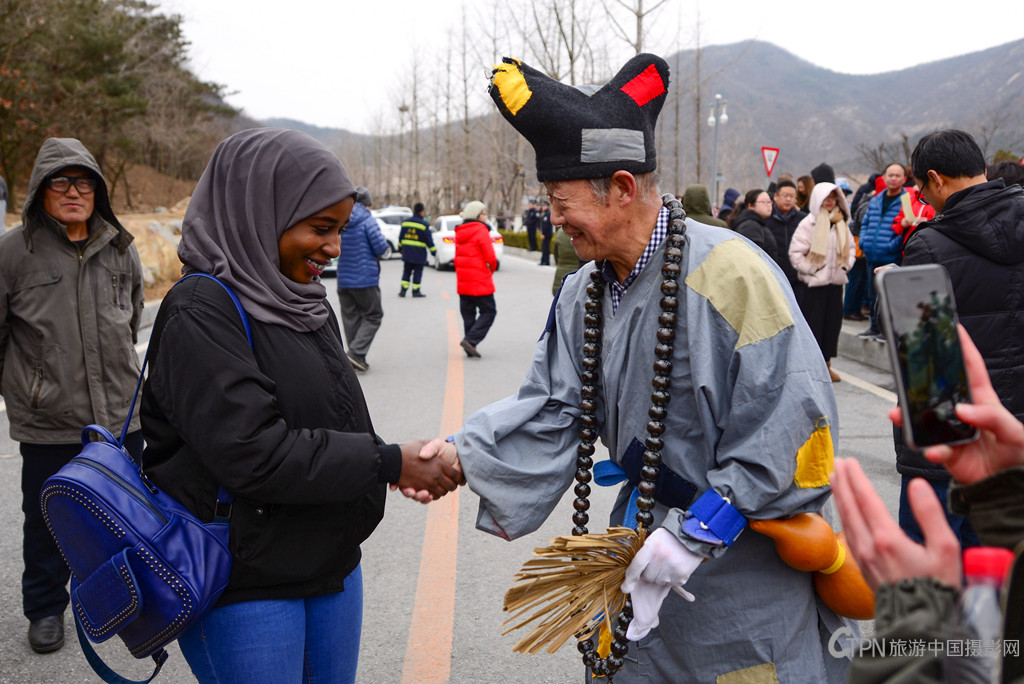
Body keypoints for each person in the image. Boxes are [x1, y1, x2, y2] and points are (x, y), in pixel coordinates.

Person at [414, 53, 850, 683]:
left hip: (739, 560)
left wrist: (697, 531)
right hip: (638, 541)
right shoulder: (582, 290)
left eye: (562, 204)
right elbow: (554, 405)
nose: (554, 222)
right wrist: (461, 457)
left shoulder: (733, 273)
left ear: (621, 188)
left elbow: (792, 431)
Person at [138, 128, 459, 683]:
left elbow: (336, 418)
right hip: (243, 582)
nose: (334, 248)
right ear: (261, 212)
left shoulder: (301, 301)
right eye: (320, 228)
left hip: (329, 565)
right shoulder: (200, 310)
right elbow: (253, 454)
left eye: (338, 228)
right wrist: (386, 462)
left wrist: (387, 462)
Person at [0, 137, 144, 654]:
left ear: (98, 190)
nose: (72, 191)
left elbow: (131, 320)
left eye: (82, 181)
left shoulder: (120, 248)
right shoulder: (13, 252)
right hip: (49, 420)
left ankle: (128, 600)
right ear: (40, 190)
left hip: (121, 417)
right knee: (46, 522)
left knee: (127, 516)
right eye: (59, 181)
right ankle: (44, 609)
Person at [833, 325, 1024, 683]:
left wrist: (912, 622)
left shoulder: (926, 267)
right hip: (994, 444)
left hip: (943, 437)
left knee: (930, 567)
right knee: (984, 593)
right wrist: (1011, 501)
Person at [894, 129, 1024, 549]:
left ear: (935, 178)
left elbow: (921, 364)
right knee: (1002, 576)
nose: (923, 199)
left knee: (932, 577)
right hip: (1013, 440)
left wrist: (890, 295)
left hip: (950, 440)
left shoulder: (928, 246)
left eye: (920, 188)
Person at [788, 182, 855, 383]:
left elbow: (851, 249)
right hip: (814, 287)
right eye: (826, 198)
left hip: (835, 284)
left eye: (833, 198)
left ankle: (826, 365)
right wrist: (812, 270)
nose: (830, 202)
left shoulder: (841, 222)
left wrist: (846, 266)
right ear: (818, 199)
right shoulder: (808, 224)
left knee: (832, 327)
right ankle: (810, 367)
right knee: (813, 327)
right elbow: (796, 254)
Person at [336, 186, 388, 372]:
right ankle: (356, 354)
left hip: (343, 279)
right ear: (366, 204)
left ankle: (356, 357)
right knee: (374, 315)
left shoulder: (340, 218)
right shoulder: (367, 220)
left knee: (351, 316)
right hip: (365, 279)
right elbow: (380, 248)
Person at [857, 162, 908, 339]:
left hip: (890, 255)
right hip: (871, 253)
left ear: (904, 179)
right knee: (872, 293)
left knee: (890, 296)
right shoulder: (876, 199)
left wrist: (891, 245)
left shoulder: (906, 200)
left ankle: (889, 330)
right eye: (890, 175)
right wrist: (863, 241)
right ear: (884, 177)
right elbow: (865, 223)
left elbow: (906, 227)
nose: (893, 179)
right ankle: (874, 326)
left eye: (897, 175)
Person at [454, 201, 498, 358]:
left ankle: (469, 344)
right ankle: (471, 340)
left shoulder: (460, 232)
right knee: (489, 311)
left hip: (464, 281)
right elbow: (491, 258)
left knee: (468, 314)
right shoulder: (480, 230)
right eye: (484, 213)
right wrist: (490, 271)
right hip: (479, 280)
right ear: (477, 216)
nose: (486, 217)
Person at [842, 173, 882, 321]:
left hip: (859, 245)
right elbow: (867, 225)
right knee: (856, 279)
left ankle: (852, 309)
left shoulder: (864, 201)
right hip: (859, 247)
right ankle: (850, 310)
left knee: (857, 279)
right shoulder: (869, 205)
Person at [764, 178, 808, 300]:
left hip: (798, 279)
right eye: (785, 195)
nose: (788, 199)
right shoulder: (766, 219)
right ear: (776, 197)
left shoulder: (804, 220)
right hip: (773, 278)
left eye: (792, 196)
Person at [398, 202, 435, 297]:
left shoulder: (405, 223)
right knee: (417, 273)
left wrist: (400, 248)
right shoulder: (424, 225)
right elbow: (429, 240)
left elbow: (401, 238)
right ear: (422, 212)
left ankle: (403, 290)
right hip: (419, 254)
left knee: (406, 271)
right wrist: (433, 251)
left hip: (407, 253)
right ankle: (416, 291)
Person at [730, 188, 778, 258]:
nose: (768, 205)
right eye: (764, 201)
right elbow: (753, 257)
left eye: (769, 201)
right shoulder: (749, 226)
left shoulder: (758, 223)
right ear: (750, 206)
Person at [551, 225, 584, 295]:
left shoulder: (560, 233)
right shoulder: (580, 234)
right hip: (576, 274)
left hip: (559, 276)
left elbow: (555, 254)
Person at [538, 201, 553, 265]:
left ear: (547, 206)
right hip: (545, 234)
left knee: (545, 248)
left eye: (544, 206)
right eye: (543, 206)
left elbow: (547, 226)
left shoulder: (548, 214)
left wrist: (544, 234)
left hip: (547, 234)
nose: (543, 207)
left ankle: (545, 261)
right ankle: (545, 261)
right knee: (544, 247)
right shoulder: (545, 214)